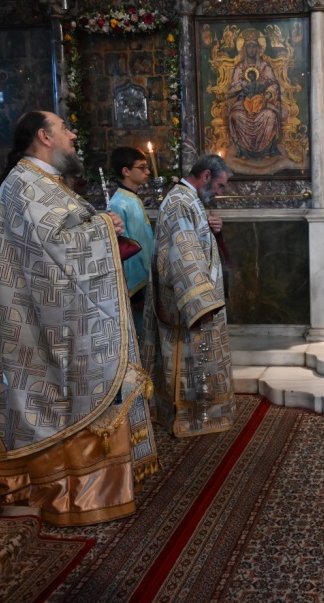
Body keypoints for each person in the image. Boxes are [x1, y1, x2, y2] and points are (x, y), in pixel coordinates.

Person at [0, 111, 158, 526]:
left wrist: (100, 224)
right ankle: (69, 494)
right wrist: (103, 229)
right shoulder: (25, 184)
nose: (73, 135)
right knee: (63, 396)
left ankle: (99, 490)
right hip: (43, 324)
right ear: (44, 136)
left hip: (64, 316)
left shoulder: (43, 182)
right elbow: (53, 251)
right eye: (64, 129)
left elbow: (63, 234)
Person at [141, 154, 236, 437]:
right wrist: (201, 304)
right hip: (189, 302)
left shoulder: (188, 199)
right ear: (205, 175)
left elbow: (194, 242)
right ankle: (192, 416)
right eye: (219, 185)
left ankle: (203, 412)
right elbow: (184, 255)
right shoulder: (180, 202)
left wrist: (211, 230)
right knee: (190, 361)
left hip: (198, 296)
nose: (219, 192)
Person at [107, 146, 155, 327]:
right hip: (136, 284)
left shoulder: (131, 198)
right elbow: (124, 249)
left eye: (147, 167)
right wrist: (135, 293)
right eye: (142, 168)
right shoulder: (118, 203)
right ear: (126, 171)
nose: (147, 172)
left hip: (146, 276)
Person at [227, 29, 282, 160]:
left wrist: (267, 95)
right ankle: (243, 151)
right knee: (236, 116)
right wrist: (242, 86)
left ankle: (266, 151)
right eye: (248, 46)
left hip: (262, 102)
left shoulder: (264, 66)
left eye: (253, 46)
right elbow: (234, 85)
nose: (251, 50)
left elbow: (273, 83)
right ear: (244, 49)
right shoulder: (240, 67)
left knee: (270, 116)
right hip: (243, 102)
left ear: (258, 48)